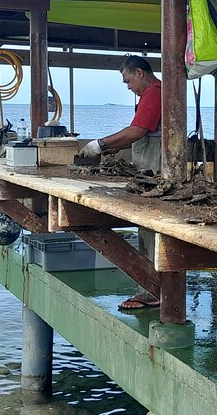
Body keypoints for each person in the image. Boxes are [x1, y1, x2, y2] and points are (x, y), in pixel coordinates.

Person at [79, 55, 162, 310]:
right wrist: (114, 148)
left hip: (155, 172)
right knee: (145, 229)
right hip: (147, 169)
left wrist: (99, 144)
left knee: (150, 230)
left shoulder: (155, 93)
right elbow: (138, 133)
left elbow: (137, 131)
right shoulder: (151, 95)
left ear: (139, 73)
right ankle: (151, 287)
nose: (128, 87)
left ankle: (153, 291)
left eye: (128, 81)